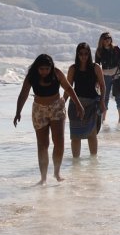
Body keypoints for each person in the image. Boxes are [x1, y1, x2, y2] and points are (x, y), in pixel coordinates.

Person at [14, 54, 84, 185]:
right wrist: (18, 112)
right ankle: (43, 178)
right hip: (39, 110)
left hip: (56, 106)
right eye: (41, 69)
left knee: (59, 141)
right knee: (42, 144)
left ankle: (57, 172)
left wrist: (79, 105)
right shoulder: (32, 76)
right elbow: (23, 93)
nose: (44, 72)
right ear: (37, 68)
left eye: (47, 68)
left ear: (51, 67)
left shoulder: (56, 73)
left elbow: (68, 88)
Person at [65, 43, 107, 158]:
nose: (84, 56)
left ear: (89, 54)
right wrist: (62, 103)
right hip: (76, 105)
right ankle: (75, 164)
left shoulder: (96, 67)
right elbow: (68, 88)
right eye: (81, 54)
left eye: (86, 54)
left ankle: (94, 163)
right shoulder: (73, 69)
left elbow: (103, 86)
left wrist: (102, 101)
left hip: (91, 104)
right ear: (77, 54)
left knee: (92, 134)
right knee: (75, 135)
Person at [95, 32, 120, 126]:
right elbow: (97, 65)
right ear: (102, 40)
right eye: (105, 38)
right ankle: (104, 118)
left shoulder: (116, 49)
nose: (108, 40)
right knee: (105, 97)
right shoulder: (99, 51)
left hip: (116, 75)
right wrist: (97, 79)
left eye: (109, 38)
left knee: (118, 96)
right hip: (105, 76)